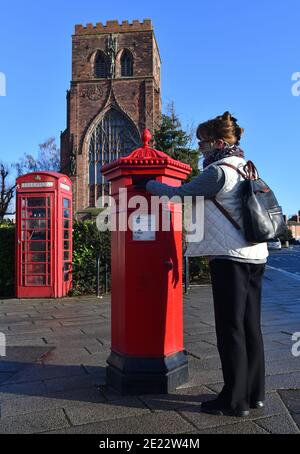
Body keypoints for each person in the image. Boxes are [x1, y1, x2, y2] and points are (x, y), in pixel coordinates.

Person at [136, 112, 268, 418]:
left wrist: (149, 184)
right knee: (250, 326)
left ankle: (233, 400)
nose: (199, 148)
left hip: (230, 257)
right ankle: (254, 393)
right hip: (256, 255)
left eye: (203, 142)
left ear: (219, 142)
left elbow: (181, 195)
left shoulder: (218, 171)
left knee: (229, 329)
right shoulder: (245, 166)